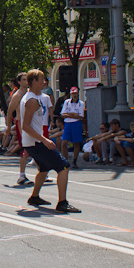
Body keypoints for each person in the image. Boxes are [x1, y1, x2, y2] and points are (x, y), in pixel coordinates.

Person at [22, 70, 81, 213]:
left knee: (44, 168)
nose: (44, 82)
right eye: (42, 79)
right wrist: (44, 140)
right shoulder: (32, 101)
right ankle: (62, 203)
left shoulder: (31, 98)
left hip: (32, 142)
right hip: (36, 142)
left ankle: (34, 196)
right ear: (34, 81)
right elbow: (25, 125)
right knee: (64, 167)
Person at [5, 73, 32, 185]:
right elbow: (10, 110)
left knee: (36, 147)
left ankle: (43, 172)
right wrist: (8, 127)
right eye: (24, 80)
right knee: (25, 149)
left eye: (28, 79)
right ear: (19, 82)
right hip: (21, 124)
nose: (27, 82)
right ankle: (21, 175)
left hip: (31, 124)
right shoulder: (18, 95)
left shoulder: (31, 93)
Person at [60, 87, 85, 168]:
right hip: (67, 123)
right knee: (64, 142)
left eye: (75, 93)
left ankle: (74, 160)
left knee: (76, 142)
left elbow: (80, 116)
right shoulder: (67, 102)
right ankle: (65, 160)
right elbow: (63, 114)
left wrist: (69, 114)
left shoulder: (81, 103)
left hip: (76, 124)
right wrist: (73, 114)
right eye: (73, 94)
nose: (74, 95)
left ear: (78, 93)